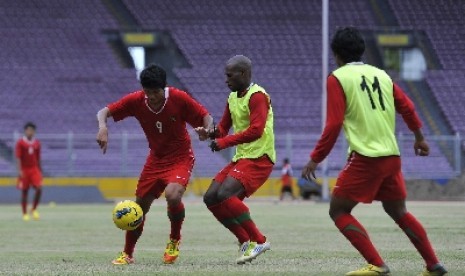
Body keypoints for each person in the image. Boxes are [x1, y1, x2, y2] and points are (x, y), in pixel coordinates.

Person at [302, 27, 447, 276]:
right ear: (363, 50)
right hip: (391, 155)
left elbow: (334, 124)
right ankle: (433, 265)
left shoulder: (337, 78)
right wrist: (419, 137)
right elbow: (408, 107)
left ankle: (377, 265)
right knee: (399, 211)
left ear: (335, 54)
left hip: (366, 157)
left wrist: (315, 159)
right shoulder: (381, 75)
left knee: (338, 210)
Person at [96, 64, 213, 265]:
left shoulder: (178, 98)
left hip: (180, 158)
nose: (152, 97)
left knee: (172, 194)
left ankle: (174, 240)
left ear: (164, 88)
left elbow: (206, 116)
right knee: (138, 208)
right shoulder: (136, 100)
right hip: (155, 160)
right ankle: (127, 254)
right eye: (147, 92)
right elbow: (103, 112)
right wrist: (102, 127)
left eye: (156, 92)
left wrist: (208, 130)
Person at [197, 55, 275, 264]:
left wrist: (224, 142)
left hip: (260, 156)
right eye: (226, 75)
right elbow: (222, 128)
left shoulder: (257, 96)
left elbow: (257, 130)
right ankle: (244, 240)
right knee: (211, 197)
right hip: (243, 157)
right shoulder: (232, 97)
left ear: (244, 74)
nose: (226, 80)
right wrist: (209, 133)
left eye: (230, 75)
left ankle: (259, 240)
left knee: (225, 194)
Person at [16, 122, 42, 221]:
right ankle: (24, 213)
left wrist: (40, 170)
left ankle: (34, 209)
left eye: (32, 130)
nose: (30, 132)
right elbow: (18, 157)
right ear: (25, 131)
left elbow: (38, 158)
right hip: (25, 169)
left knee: (39, 188)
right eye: (28, 130)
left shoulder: (37, 143)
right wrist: (19, 170)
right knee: (25, 191)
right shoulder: (20, 143)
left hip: (34, 168)